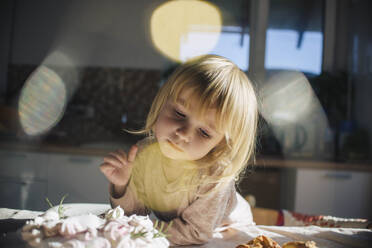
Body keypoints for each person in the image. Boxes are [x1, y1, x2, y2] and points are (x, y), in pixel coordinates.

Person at [99, 54, 258, 246]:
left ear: (220, 145)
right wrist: (123, 185)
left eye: (204, 132)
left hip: (227, 228)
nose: (184, 134)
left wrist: (139, 231)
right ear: (162, 103)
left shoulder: (215, 175)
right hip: (180, 231)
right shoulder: (145, 154)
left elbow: (196, 231)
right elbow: (135, 215)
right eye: (180, 113)